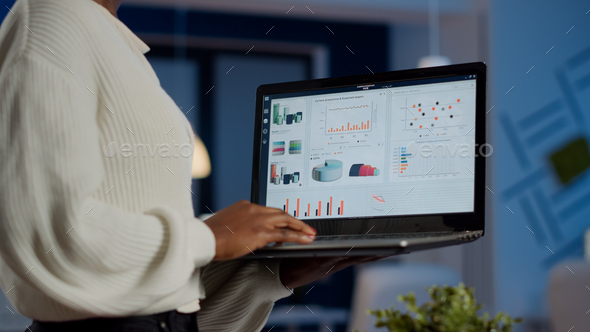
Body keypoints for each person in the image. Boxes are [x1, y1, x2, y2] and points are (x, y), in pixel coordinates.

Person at [0, 0, 382, 331]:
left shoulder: (110, 38)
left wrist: (269, 275)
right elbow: (49, 234)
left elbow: (161, 316)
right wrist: (208, 239)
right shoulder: (54, 19)